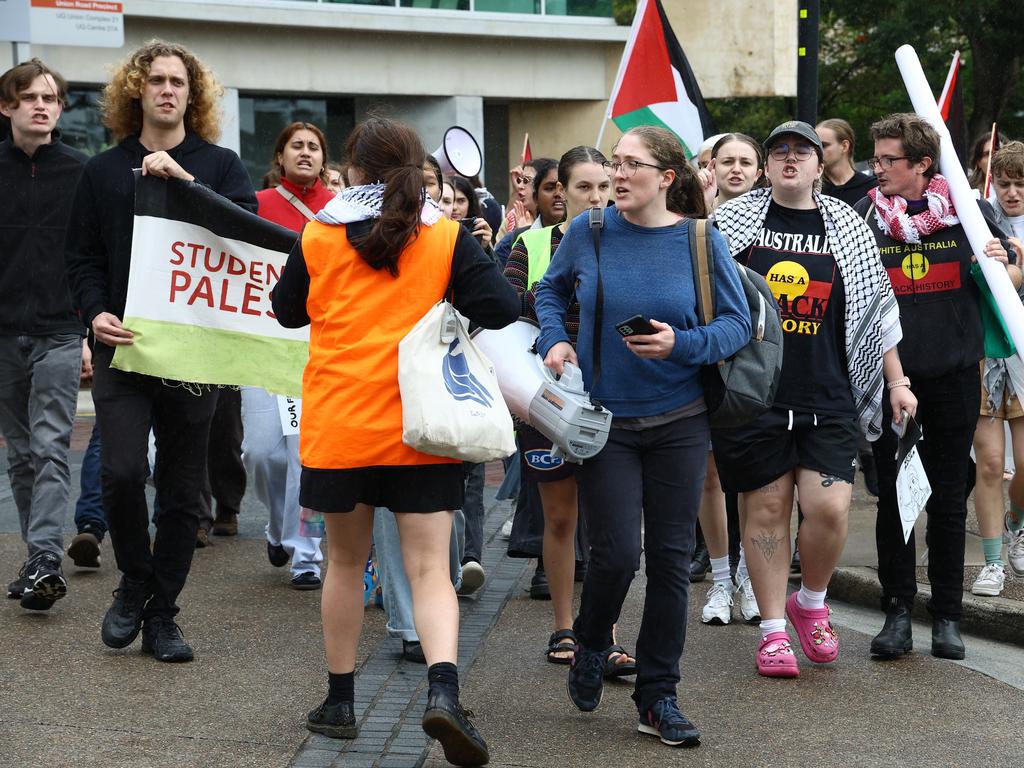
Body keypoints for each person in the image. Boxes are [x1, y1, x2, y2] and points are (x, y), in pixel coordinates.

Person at [271, 116, 518, 764]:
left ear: (352, 168)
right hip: (421, 426)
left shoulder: (318, 232)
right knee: (430, 568)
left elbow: (286, 309)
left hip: (341, 422)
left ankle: (341, 702)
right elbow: (501, 306)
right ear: (415, 167)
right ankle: (442, 690)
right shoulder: (445, 235)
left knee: (346, 565)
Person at [536, 125, 749, 747]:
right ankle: (593, 642)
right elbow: (548, 291)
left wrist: (680, 344)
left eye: (631, 165)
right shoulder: (590, 230)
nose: (618, 174)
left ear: (667, 176)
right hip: (607, 422)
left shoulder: (701, 240)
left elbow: (739, 325)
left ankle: (659, 696)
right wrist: (555, 337)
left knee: (670, 566)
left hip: (681, 421)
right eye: (613, 163)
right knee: (617, 557)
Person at [64, 40, 257, 663]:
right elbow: (82, 258)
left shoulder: (220, 165)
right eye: (155, 81)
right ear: (135, 92)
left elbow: (247, 238)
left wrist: (188, 182)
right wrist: (94, 313)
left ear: (193, 96)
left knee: (182, 493)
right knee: (121, 473)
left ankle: (162, 614)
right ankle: (134, 579)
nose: (167, 90)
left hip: (193, 354)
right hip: (124, 350)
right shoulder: (100, 171)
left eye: (178, 82)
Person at [714, 120, 910, 678]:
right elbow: (703, 300)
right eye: (780, 152)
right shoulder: (730, 223)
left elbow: (878, 312)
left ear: (820, 165)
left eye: (804, 151)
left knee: (829, 507)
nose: (792, 160)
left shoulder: (848, 224)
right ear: (768, 164)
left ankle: (811, 602)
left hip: (829, 390)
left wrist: (896, 381)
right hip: (757, 394)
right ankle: (773, 631)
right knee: (768, 508)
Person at [853, 113, 1016, 661]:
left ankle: (947, 617)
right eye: (875, 159)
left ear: (923, 164)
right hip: (891, 380)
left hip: (953, 378)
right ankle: (897, 611)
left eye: (888, 161)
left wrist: (1006, 261)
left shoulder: (971, 213)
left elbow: (1009, 268)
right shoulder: (865, 217)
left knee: (948, 500)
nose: (877, 170)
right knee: (895, 503)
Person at [503, 145, 635, 675]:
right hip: (548, 398)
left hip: (615, 397)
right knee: (560, 518)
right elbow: (506, 311)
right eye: (583, 187)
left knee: (611, 524)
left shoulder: (633, 239)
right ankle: (564, 626)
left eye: (605, 186)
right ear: (559, 191)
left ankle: (604, 633)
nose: (596, 197)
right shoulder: (526, 244)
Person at [0, 58, 87, 611]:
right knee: (20, 453)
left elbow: (94, 256)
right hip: (3, 332)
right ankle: (38, 560)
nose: (41, 105)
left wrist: (87, 329)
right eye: (29, 97)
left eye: (50, 98)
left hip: (61, 328)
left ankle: (46, 556)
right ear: (7, 106)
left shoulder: (81, 170)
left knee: (51, 442)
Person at [246, 121, 334, 589]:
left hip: (317, 348)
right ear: (279, 157)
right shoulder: (256, 208)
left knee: (305, 455)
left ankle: (305, 553)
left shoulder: (340, 210)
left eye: (313, 147)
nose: (305, 153)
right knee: (261, 453)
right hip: (262, 345)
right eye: (296, 146)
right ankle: (277, 528)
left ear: (324, 158)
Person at [693, 132, 766, 627]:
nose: (736, 169)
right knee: (711, 475)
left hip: (763, 367)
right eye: (727, 161)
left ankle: (750, 575)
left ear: (759, 172)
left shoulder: (778, 222)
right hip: (709, 361)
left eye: (746, 162)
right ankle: (721, 579)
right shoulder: (696, 226)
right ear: (710, 168)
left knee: (761, 480)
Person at [969, 140, 1024, 596]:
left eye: (1020, 185)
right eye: (1004, 183)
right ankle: (991, 563)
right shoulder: (978, 218)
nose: (1011, 193)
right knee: (988, 463)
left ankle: (1016, 522)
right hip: (985, 353)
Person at [493, 158, 562, 268]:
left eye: (527, 181)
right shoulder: (512, 230)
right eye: (549, 188)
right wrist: (524, 240)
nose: (558, 194)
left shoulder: (581, 234)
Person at [816, 118, 879, 206]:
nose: (817, 151)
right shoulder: (812, 188)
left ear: (844, 146)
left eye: (823, 145)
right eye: (815, 146)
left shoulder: (872, 188)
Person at [449, 175, 493, 251]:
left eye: (461, 201)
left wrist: (485, 248)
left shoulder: (480, 230)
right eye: (448, 201)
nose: (454, 207)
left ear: (470, 204)